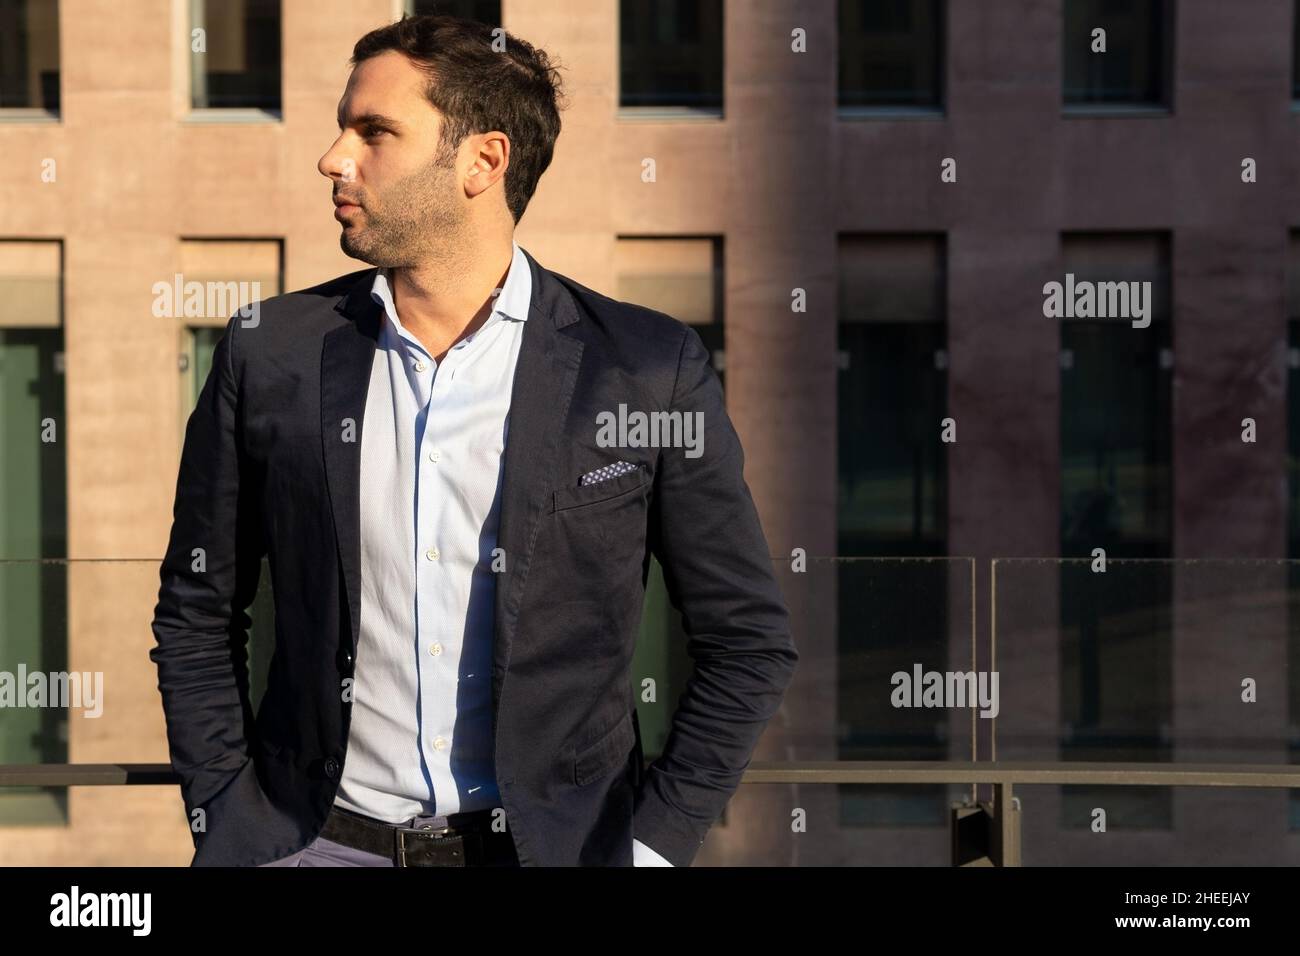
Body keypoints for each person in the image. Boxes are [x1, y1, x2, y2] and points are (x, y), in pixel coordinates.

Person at [150, 13, 798, 868]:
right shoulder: (270, 351)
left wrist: (651, 848)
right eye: (345, 125)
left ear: (482, 162)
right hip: (314, 848)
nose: (333, 157)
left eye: (374, 131)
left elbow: (745, 640)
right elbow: (197, 609)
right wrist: (229, 819)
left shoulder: (644, 368)